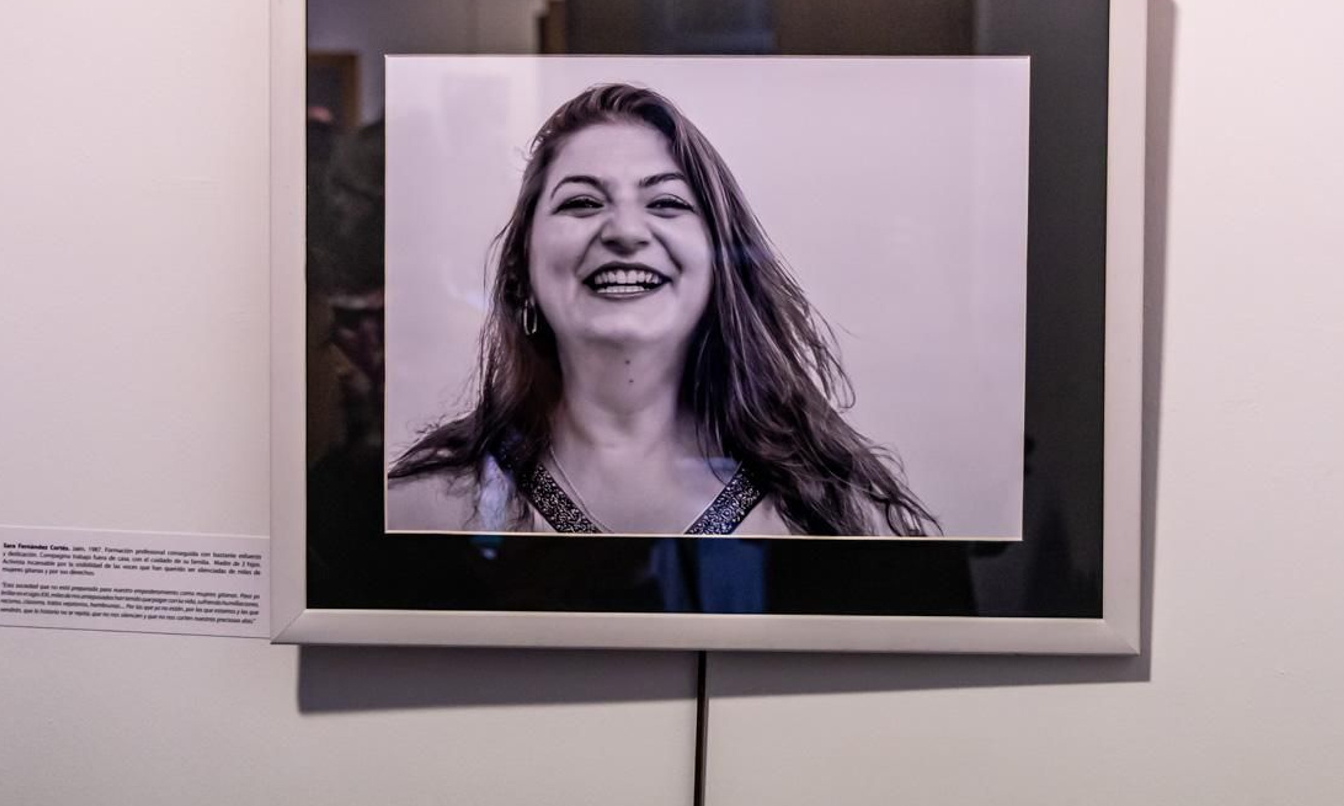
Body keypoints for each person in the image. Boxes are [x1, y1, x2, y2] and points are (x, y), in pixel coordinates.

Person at [387, 83, 939, 536]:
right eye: (582, 202)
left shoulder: (840, 516)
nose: (626, 232)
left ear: (722, 263)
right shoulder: (417, 511)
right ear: (521, 271)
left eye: (666, 203)